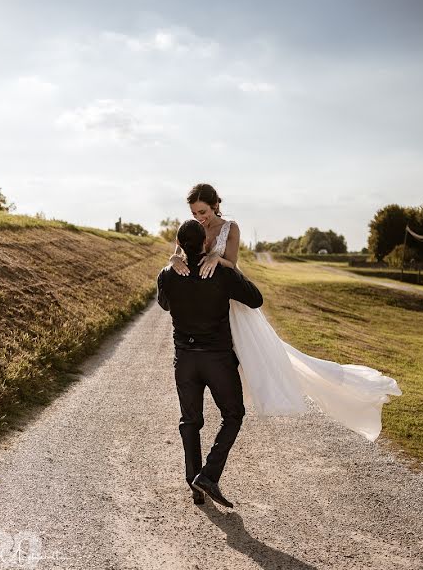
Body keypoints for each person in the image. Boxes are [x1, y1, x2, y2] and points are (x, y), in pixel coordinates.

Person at [170, 183, 402, 440]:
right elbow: (180, 254)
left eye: (203, 212)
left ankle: (334, 387)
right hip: (207, 301)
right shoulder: (190, 230)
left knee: (263, 353)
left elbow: (232, 263)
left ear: (214, 205)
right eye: (194, 214)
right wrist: (173, 259)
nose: (200, 218)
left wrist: (217, 259)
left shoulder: (230, 228)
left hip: (232, 298)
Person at [157, 219, 265, 508]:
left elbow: (165, 304)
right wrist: (227, 266)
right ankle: (208, 475)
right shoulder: (219, 273)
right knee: (233, 414)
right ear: (206, 243)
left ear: (179, 245)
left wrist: (173, 266)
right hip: (217, 359)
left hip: (185, 360)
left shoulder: (167, 275)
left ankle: (194, 481)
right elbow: (255, 299)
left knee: (190, 420)